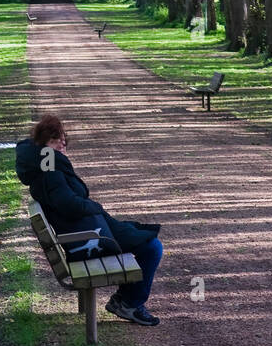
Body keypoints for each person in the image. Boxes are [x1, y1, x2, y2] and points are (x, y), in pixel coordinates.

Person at [16, 112, 163, 327]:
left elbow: (66, 200)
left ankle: (125, 300)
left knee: (144, 236)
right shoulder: (49, 169)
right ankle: (128, 303)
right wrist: (95, 207)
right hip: (86, 239)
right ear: (43, 143)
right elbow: (68, 204)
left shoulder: (44, 164)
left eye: (63, 141)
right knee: (152, 247)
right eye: (55, 141)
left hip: (86, 230)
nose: (61, 146)